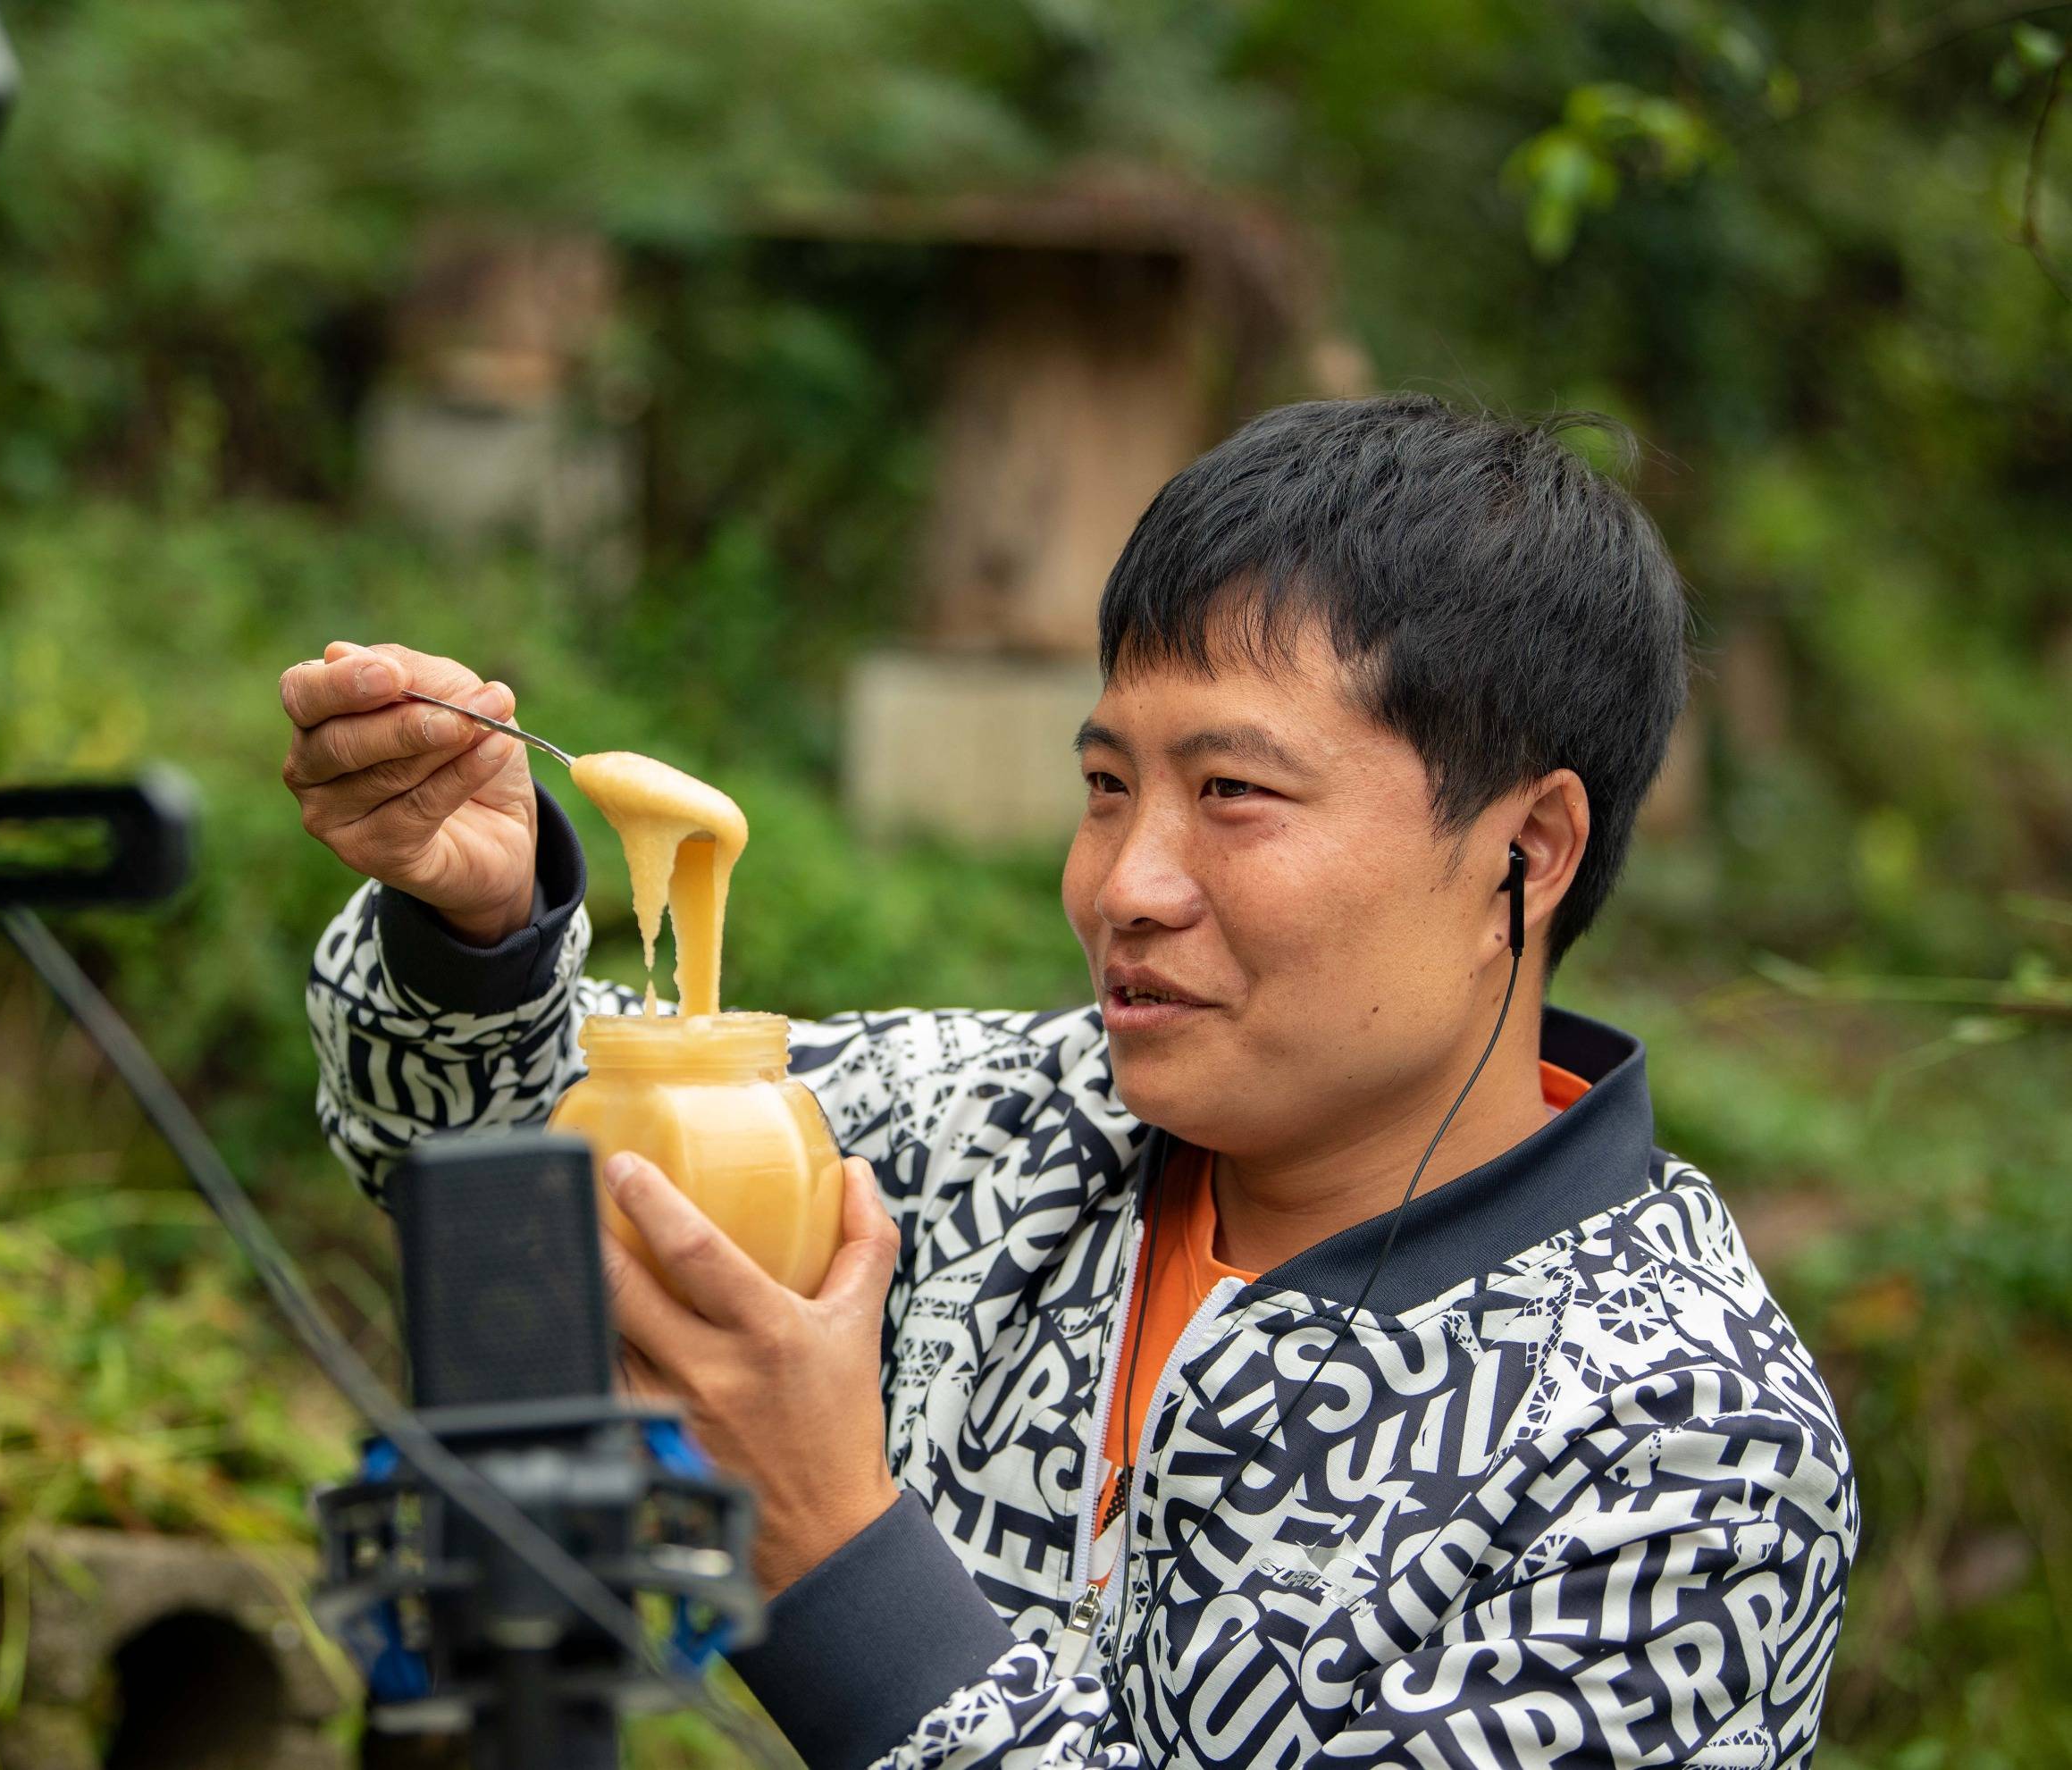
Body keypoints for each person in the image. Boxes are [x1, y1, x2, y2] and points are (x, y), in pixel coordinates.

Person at [282, 394, 1858, 1769]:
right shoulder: (1002, 1136)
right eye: (1109, 787)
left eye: (1233, 793)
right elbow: (514, 1170)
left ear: (1527, 848)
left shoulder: (1682, 1439)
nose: (1126, 883)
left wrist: (840, 1556)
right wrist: (474, 929)